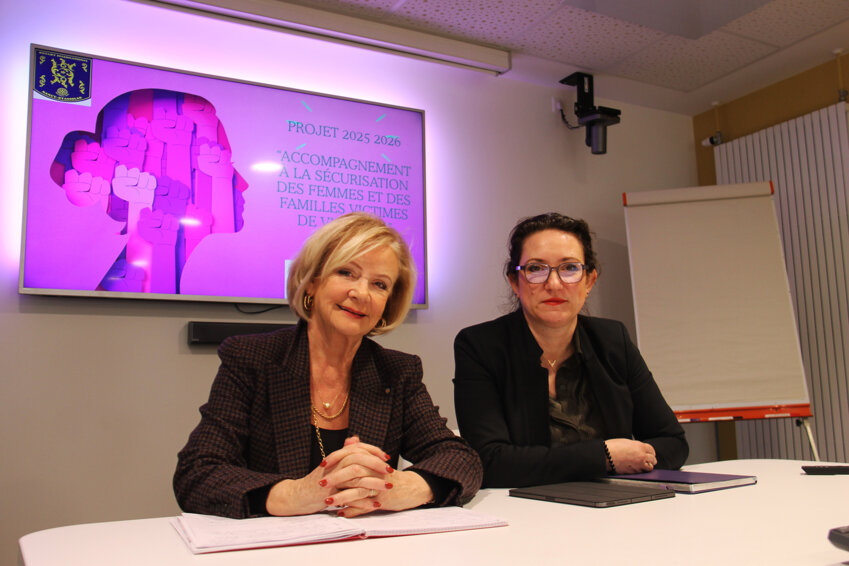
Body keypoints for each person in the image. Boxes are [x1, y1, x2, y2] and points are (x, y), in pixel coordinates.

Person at [174, 212, 482, 518]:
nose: (360, 293)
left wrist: (400, 487)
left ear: (389, 302)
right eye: (346, 272)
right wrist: (296, 495)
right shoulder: (252, 358)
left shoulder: (397, 371)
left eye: (379, 284)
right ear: (312, 282)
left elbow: (461, 459)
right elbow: (197, 473)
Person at [453, 212, 687, 488]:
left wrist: (635, 457)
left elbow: (673, 442)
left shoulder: (612, 340)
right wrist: (604, 457)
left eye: (570, 268)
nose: (554, 284)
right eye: (536, 268)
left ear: (589, 281)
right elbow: (490, 461)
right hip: (525, 507)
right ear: (515, 282)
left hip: (616, 503)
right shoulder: (480, 346)